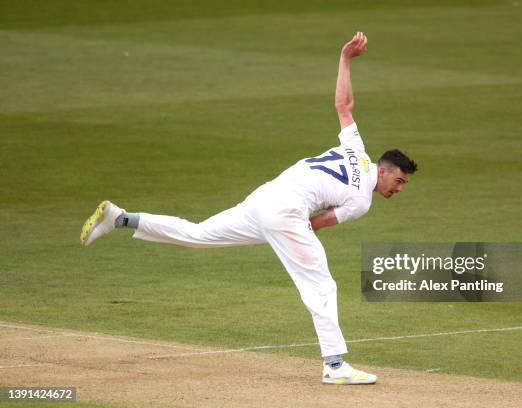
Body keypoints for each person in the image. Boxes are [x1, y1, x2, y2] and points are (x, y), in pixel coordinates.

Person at [80, 32, 417, 385]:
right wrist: (288, 236)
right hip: (286, 212)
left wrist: (345, 59)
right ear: (383, 170)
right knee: (320, 284)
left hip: (264, 199)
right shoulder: (362, 199)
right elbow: (316, 224)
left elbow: (343, 106)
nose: (399, 188)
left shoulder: (356, 149)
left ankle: (120, 218)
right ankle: (335, 367)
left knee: (198, 234)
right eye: (399, 181)